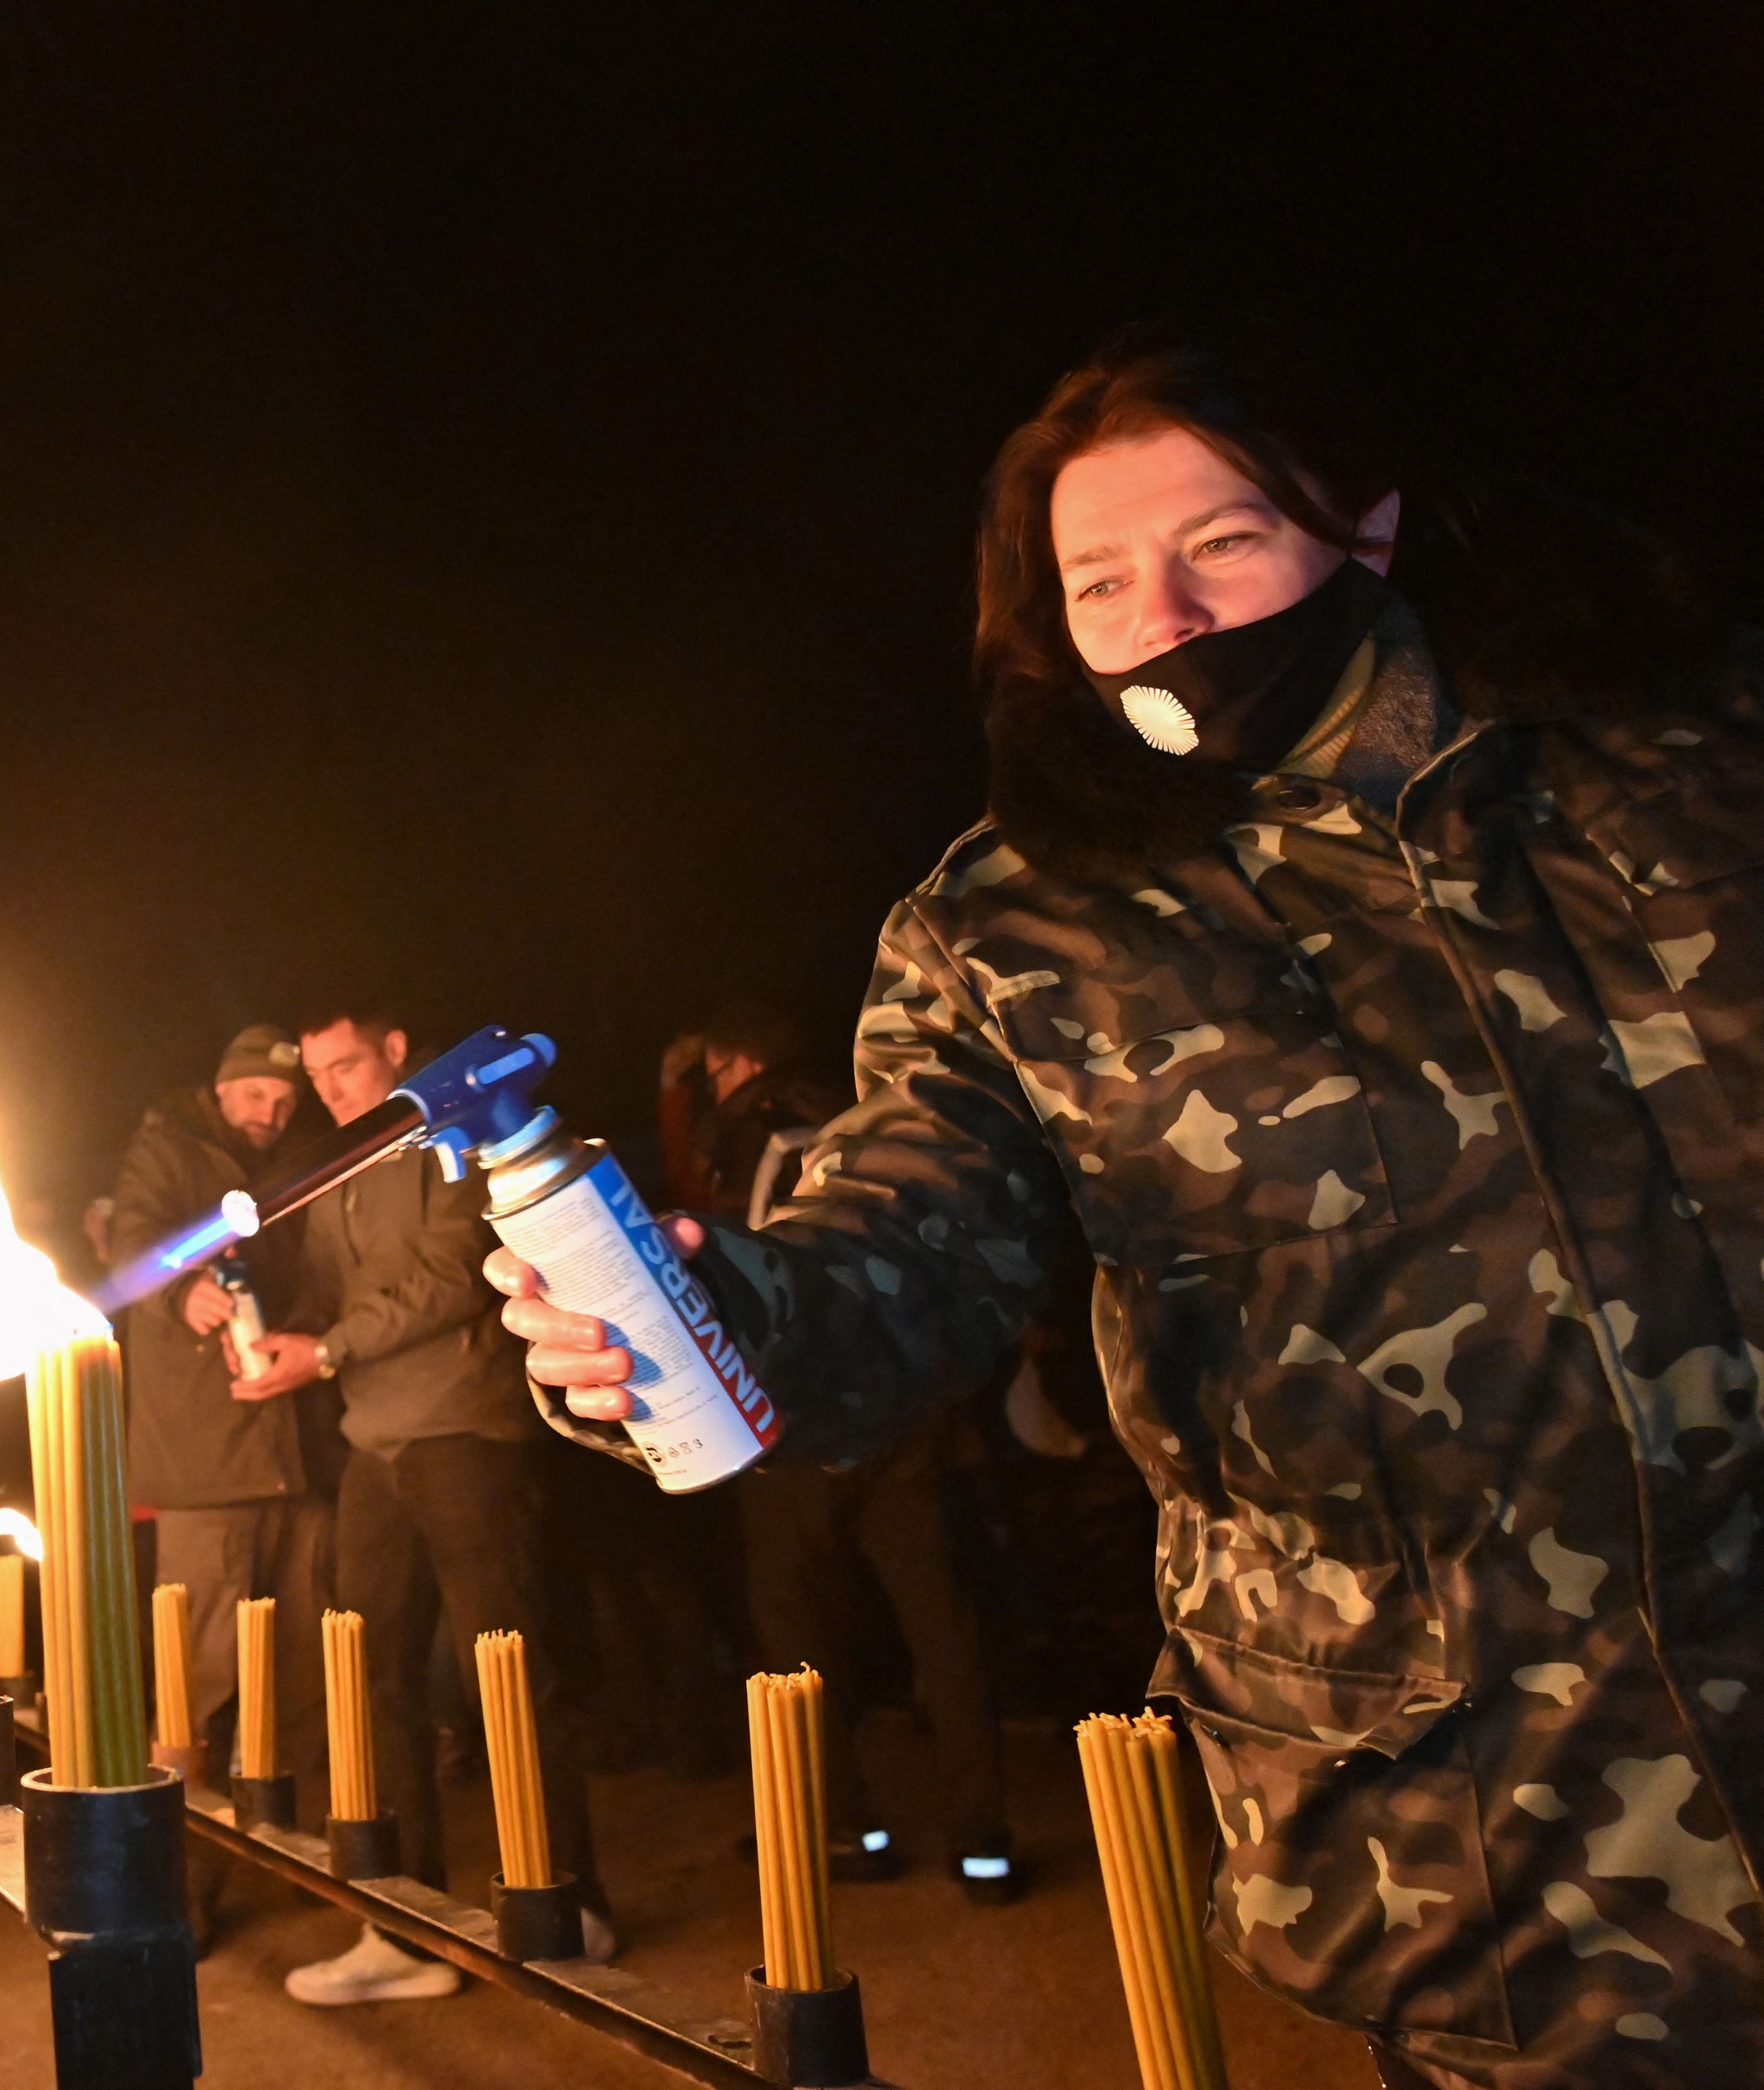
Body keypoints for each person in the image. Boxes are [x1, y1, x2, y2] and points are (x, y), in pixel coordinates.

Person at [496, 323, 1764, 2089]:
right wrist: (701, 1326)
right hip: (1488, 1843)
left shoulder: (1688, 751)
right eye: (1095, 581)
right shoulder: (1012, 930)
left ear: (1362, 528)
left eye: (1220, 543)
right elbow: (899, 1256)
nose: (1158, 613)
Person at [242, 1008, 612, 2004]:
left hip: (466, 1430)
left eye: (346, 1064)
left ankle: (565, 1898)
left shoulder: (456, 1138)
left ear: (396, 1050)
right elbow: (330, 1292)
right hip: (374, 1438)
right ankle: (404, 1927)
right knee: (370, 1674)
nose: (333, 1087)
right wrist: (262, 1324)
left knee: (508, 1661)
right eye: (317, 1074)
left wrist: (322, 1354)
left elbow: (452, 1274)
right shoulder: (333, 1170)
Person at [691, 1003, 1020, 1898]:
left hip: (791, 1419)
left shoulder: (747, 1131)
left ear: (738, 1057)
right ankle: (983, 1841)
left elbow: (759, 1266)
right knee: (941, 1623)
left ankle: (846, 1827)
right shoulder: (866, 1108)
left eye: (712, 1069)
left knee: (797, 1628)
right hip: (906, 1413)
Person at [111, 1024, 340, 1786]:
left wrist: (307, 1330)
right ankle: (180, 1870)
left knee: (305, 1667)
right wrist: (184, 1289)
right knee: (200, 1674)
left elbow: (325, 1267)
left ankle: (290, 1844)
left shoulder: (303, 1160)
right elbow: (133, 1245)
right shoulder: (168, 1148)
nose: (268, 1112)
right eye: (253, 1094)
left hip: (298, 1448)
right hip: (206, 1461)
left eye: (282, 1100)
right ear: (220, 1088)